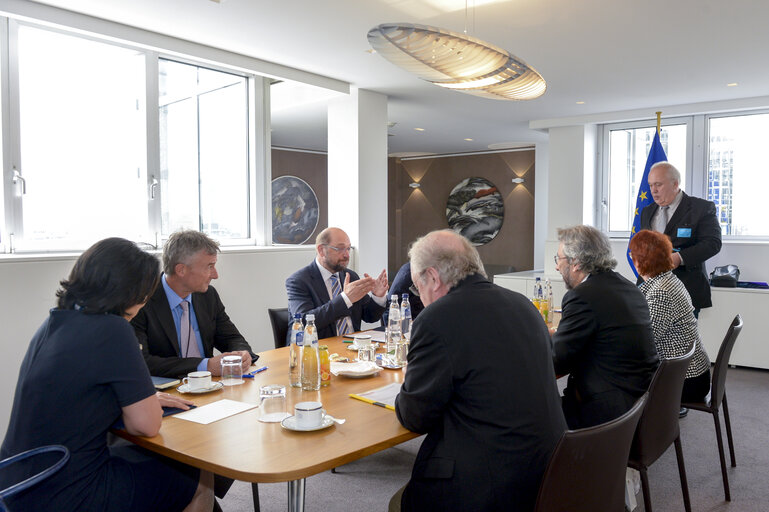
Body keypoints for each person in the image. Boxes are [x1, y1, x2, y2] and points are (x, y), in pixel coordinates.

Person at [0, 238, 213, 512]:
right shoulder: (114, 329)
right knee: (199, 476)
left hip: (19, 482)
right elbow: (146, 426)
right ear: (131, 291)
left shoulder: (54, 322)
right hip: (71, 490)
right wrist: (145, 401)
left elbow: (79, 395)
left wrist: (139, 398)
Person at [391, 230, 566, 512]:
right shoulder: (524, 305)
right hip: (548, 470)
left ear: (433, 278)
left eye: (416, 286)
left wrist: (411, 376)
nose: (419, 296)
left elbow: (415, 417)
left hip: (487, 488)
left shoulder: (436, 319)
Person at [552, 225, 659, 429]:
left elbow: (557, 360)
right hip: (640, 400)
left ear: (575, 263)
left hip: (607, 413)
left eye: (559, 259)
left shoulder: (582, 296)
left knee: (528, 413)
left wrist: (533, 342)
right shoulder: (629, 287)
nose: (557, 267)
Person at [132, 230, 256, 378]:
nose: (215, 275)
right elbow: (141, 362)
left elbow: (232, 338)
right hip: (169, 391)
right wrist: (204, 366)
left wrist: (242, 354)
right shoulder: (140, 301)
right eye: (209, 266)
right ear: (181, 270)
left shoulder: (208, 296)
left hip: (210, 387)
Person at [630, 230, 712, 406]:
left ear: (638, 261)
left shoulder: (661, 292)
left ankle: (634, 430)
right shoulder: (667, 280)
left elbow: (646, 343)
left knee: (616, 380)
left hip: (686, 380)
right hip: (693, 372)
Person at [640, 161, 722, 316]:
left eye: (658, 184)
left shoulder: (701, 208)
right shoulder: (647, 211)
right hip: (650, 289)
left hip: (685, 288)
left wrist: (679, 258)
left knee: (680, 339)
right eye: (650, 185)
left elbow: (712, 243)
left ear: (675, 184)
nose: (653, 191)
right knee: (648, 339)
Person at [286, 227, 388, 338]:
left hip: (352, 346)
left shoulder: (351, 276)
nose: (347, 255)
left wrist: (378, 297)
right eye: (340, 249)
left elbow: (369, 316)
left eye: (348, 249)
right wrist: (345, 299)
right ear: (321, 250)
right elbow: (304, 322)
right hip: (318, 349)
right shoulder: (299, 281)